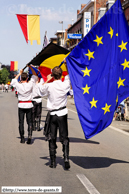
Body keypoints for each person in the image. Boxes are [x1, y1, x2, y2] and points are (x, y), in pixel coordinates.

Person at [37, 62, 71, 169]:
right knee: (64, 137)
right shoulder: (65, 84)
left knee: (52, 137)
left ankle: (52, 162)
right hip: (62, 113)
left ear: (52, 75)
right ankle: (65, 158)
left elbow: (40, 90)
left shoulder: (49, 85)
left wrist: (47, 79)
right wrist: (66, 64)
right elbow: (69, 75)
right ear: (61, 75)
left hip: (52, 114)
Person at [11, 65, 38, 144]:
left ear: (21, 78)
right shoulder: (30, 84)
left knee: (21, 122)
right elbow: (35, 75)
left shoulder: (18, 85)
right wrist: (31, 67)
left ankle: (22, 138)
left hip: (21, 105)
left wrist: (19, 73)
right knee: (29, 121)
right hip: (29, 104)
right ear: (27, 78)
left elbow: (13, 81)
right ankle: (29, 135)